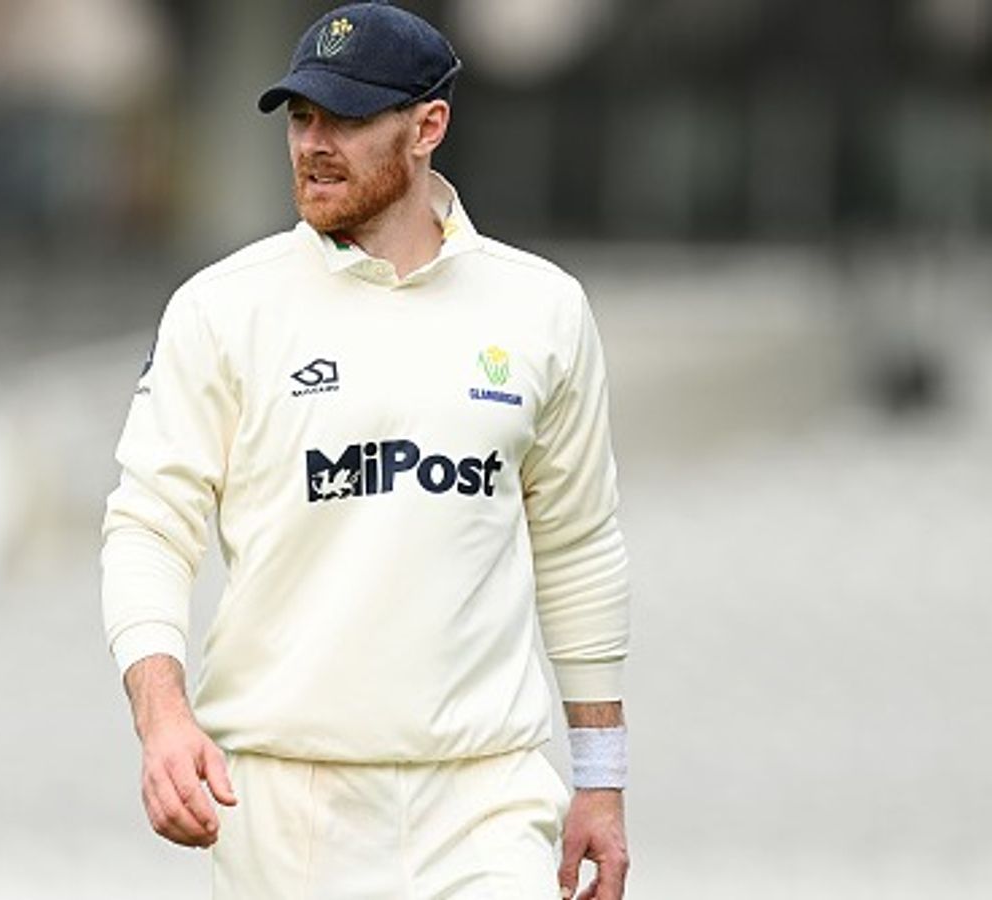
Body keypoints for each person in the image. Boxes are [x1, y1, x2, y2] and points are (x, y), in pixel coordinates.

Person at [100, 3, 631, 897]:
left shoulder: (541, 309)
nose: (314, 144)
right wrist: (162, 719)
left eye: (346, 118)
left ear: (428, 127)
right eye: (302, 117)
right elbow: (149, 527)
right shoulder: (223, 309)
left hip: (486, 795)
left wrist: (602, 781)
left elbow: (579, 545)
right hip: (285, 801)